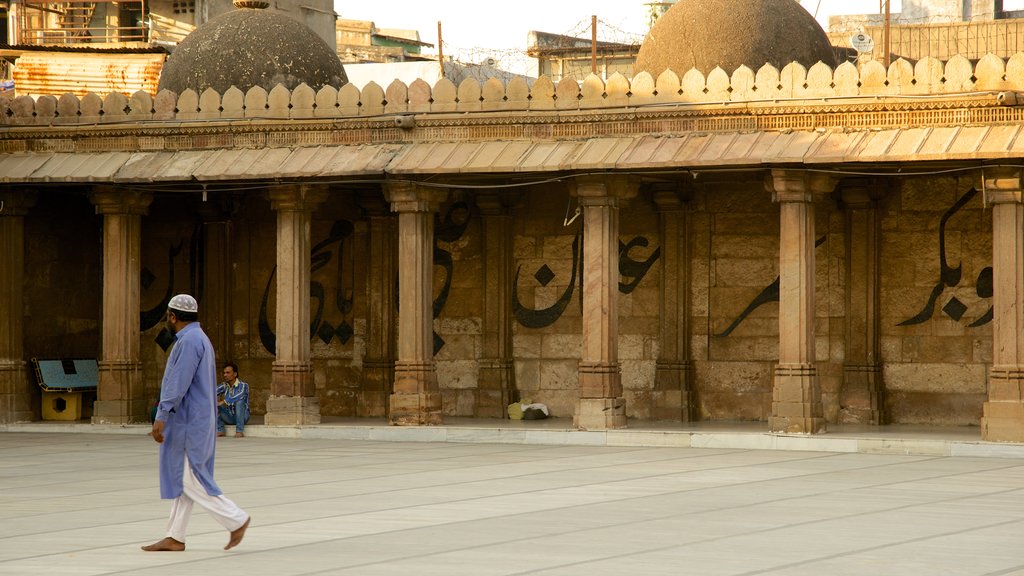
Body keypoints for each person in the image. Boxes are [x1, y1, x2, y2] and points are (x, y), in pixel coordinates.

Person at [143, 294, 251, 552]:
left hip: (189, 423)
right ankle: (175, 536)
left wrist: (161, 415)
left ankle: (236, 519)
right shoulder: (198, 338)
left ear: (172, 316)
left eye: (168, 317)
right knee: (185, 479)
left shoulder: (189, 341)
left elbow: (177, 383)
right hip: (196, 420)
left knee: (191, 479)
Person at [217, 362, 250, 438]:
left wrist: (223, 401)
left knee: (239, 401)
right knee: (214, 404)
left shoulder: (244, 385)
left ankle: (239, 431)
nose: (225, 375)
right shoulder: (224, 385)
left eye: (228, 373)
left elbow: (239, 395)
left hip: (243, 417)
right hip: (229, 417)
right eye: (224, 373)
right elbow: (212, 393)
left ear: (235, 374)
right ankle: (220, 429)